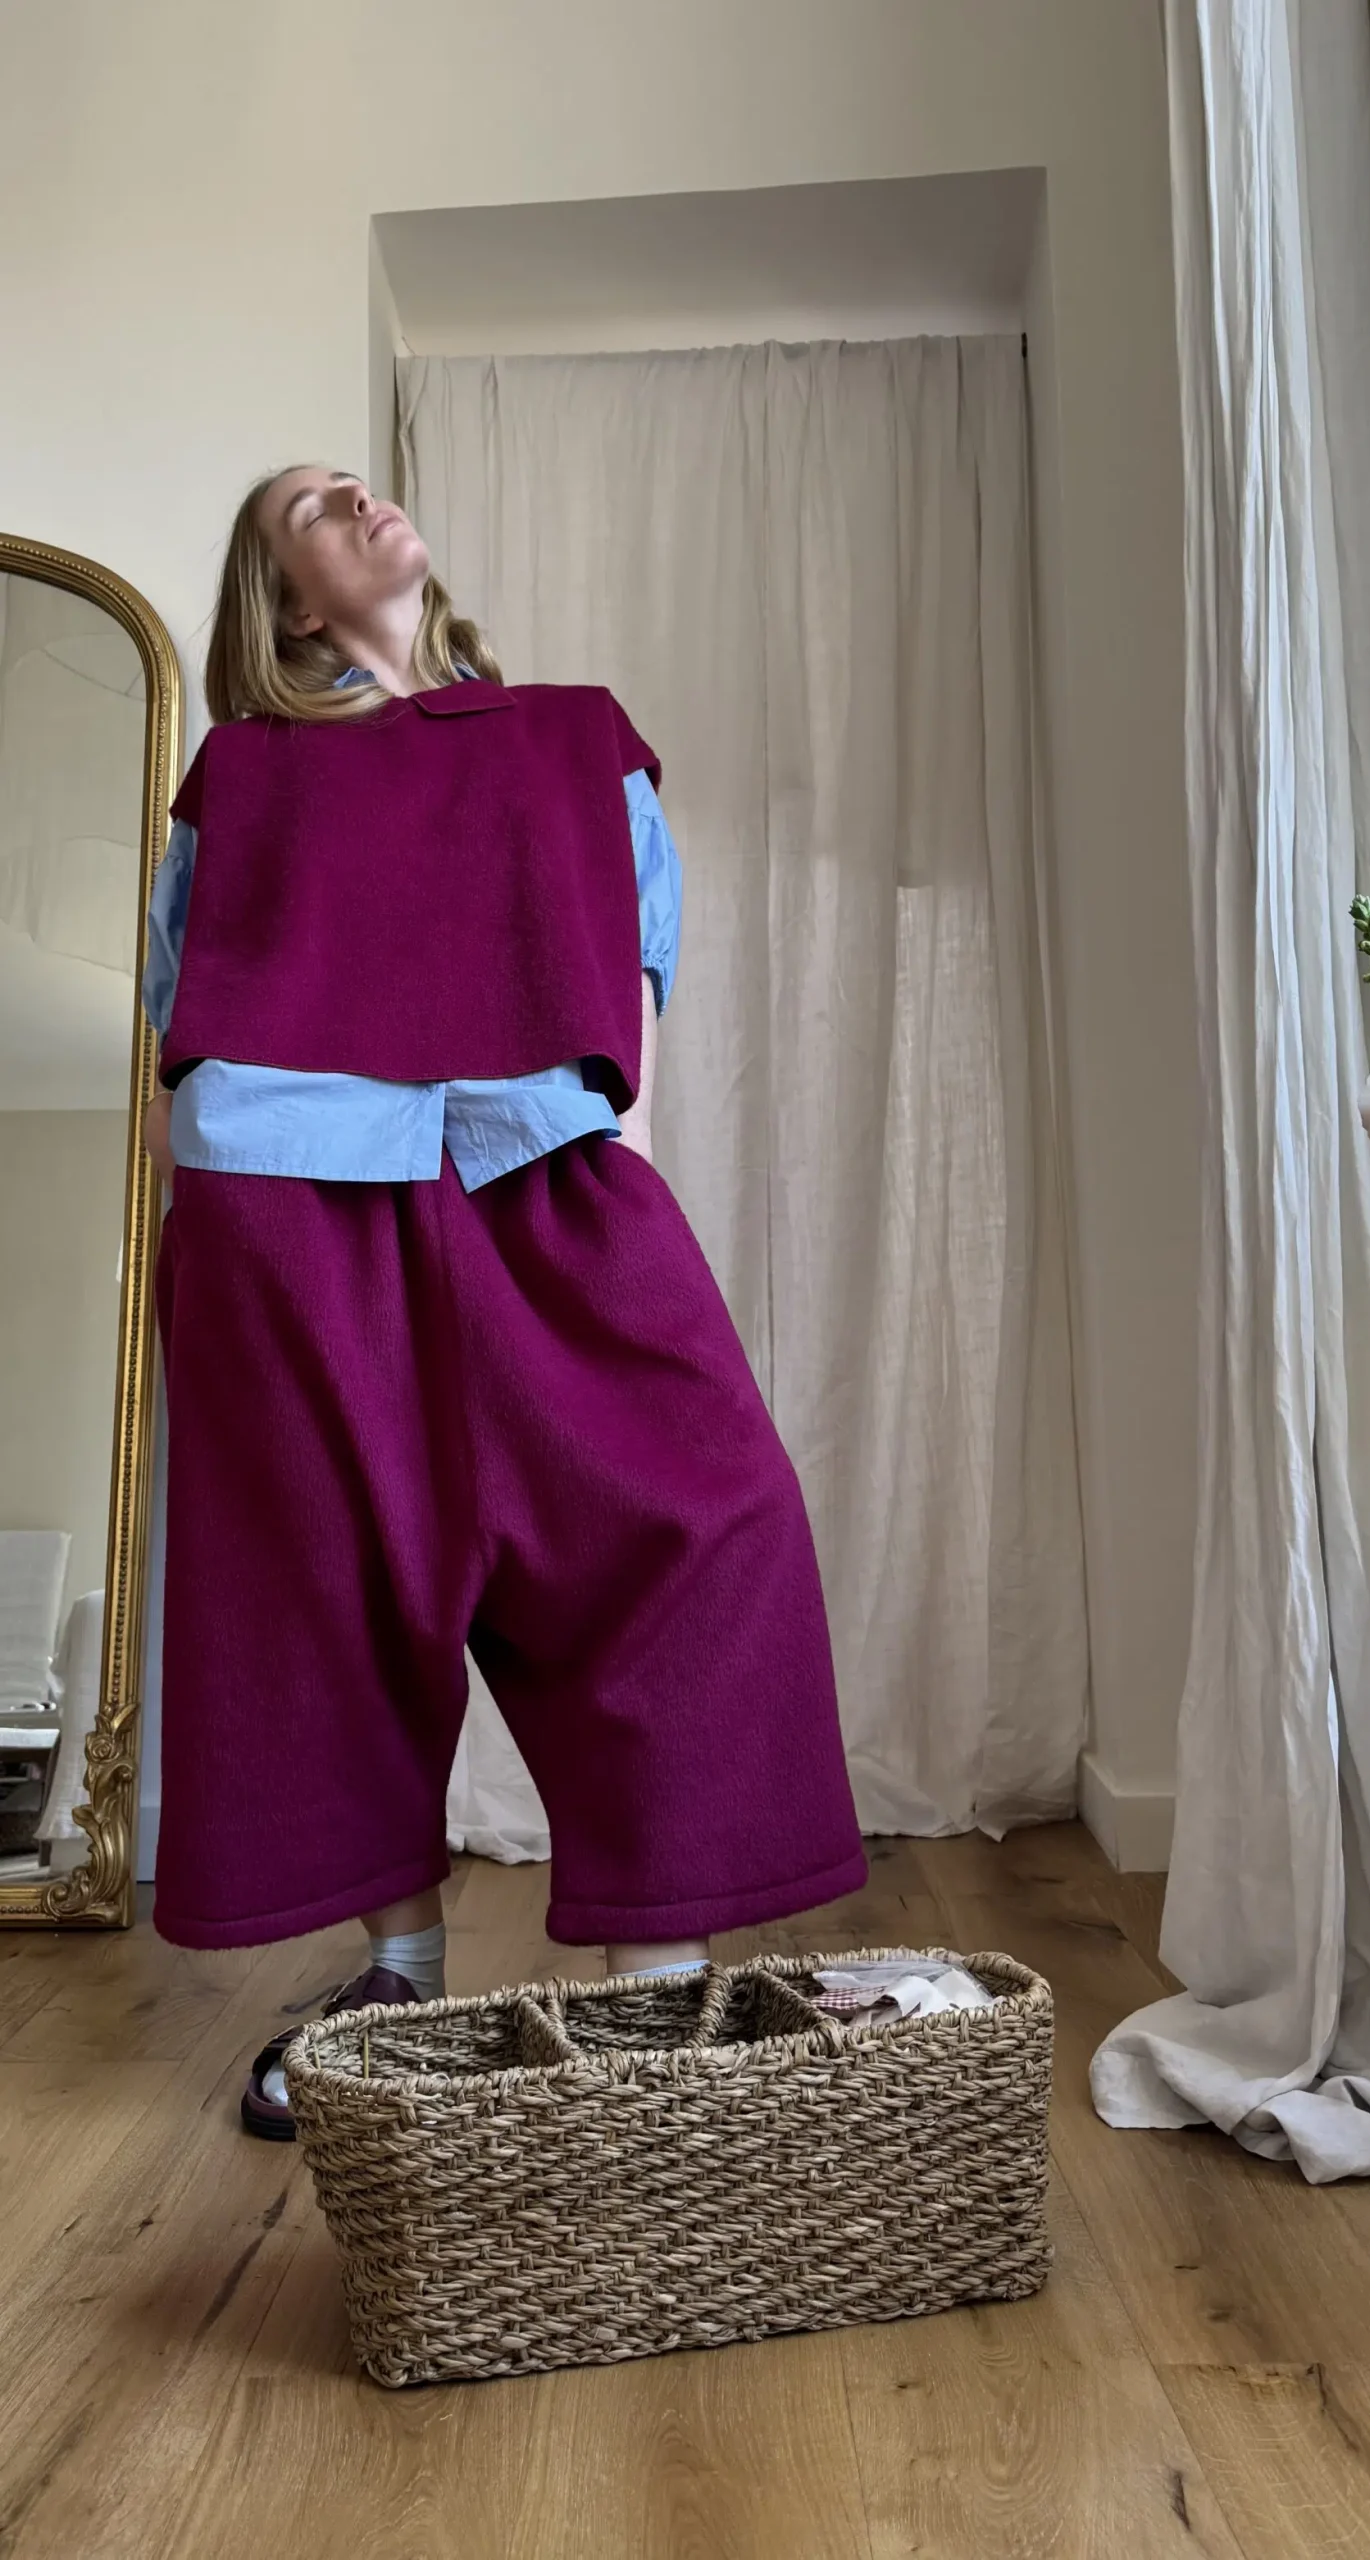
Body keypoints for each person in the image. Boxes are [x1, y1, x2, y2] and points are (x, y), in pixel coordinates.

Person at [143, 464, 866, 2139]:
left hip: (538, 1168)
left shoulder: (575, 736)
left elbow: (637, 980)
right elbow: (182, 993)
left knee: (704, 1526)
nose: (357, 497)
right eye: (311, 506)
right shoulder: (240, 770)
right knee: (323, 1584)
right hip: (284, 1201)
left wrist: (610, 1168)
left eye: (357, 483)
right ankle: (395, 1972)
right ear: (287, 603)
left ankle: (657, 1972)